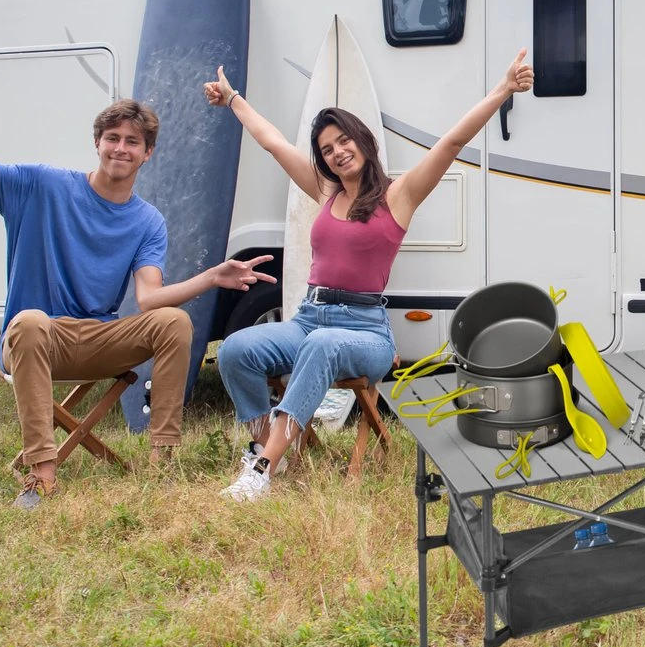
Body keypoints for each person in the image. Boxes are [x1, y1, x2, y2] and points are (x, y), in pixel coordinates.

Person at [0, 29, 277, 510]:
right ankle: (42, 476)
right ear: (97, 142)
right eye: (113, 138)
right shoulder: (41, 185)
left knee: (174, 321)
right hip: (35, 340)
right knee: (28, 321)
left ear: (147, 154)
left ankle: (162, 463)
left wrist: (213, 276)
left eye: (133, 142)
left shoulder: (147, 220)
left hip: (97, 339)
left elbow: (149, 299)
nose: (121, 148)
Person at [203, 47, 535, 502]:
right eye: (326, 150)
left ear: (362, 141)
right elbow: (274, 143)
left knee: (322, 346)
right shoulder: (324, 191)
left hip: (365, 332)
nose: (337, 153)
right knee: (236, 349)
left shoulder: (400, 197)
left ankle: (263, 469)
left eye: (343, 141)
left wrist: (503, 89)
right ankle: (266, 443)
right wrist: (232, 99)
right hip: (308, 319)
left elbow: (452, 143)